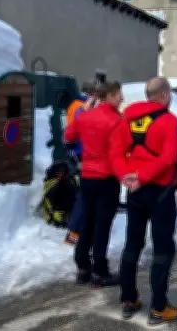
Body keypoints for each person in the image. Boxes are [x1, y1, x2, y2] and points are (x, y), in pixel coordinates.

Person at [110, 78, 177, 324]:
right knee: (163, 249)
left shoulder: (127, 120)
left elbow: (115, 153)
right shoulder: (170, 122)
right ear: (164, 95)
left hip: (135, 192)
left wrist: (126, 178)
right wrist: (141, 177)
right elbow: (168, 159)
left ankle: (129, 299)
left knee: (132, 245)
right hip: (159, 192)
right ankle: (159, 307)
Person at [63, 81, 123, 287]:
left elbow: (68, 137)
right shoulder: (116, 120)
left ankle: (82, 267)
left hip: (88, 177)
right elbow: (120, 152)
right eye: (119, 95)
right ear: (110, 96)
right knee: (102, 225)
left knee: (87, 221)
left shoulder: (85, 116)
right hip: (108, 179)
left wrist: (84, 112)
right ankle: (100, 270)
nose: (122, 99)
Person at [63, 82, 100, 246]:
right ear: (91, 93)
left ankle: (78, 231)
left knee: (85, 194)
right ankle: (74, 233)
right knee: (85, 195)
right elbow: (83, 129)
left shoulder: (75, 105)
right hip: (83, 154)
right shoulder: (82, 107)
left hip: (79, 153)